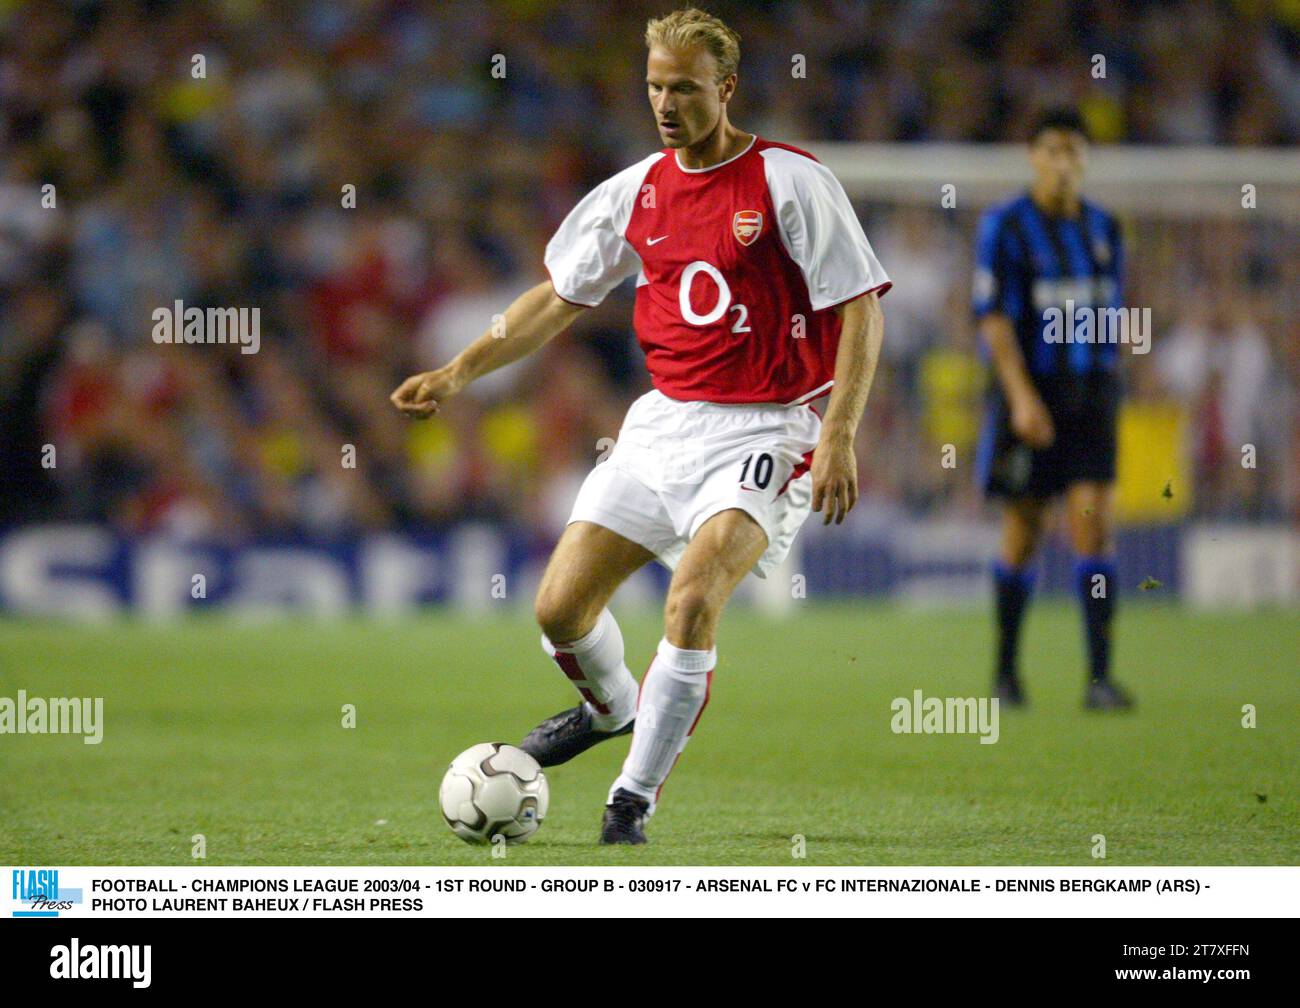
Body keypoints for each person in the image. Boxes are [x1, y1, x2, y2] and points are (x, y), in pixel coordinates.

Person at [392, 7, 889, 843]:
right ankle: (612, 706)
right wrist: (458, 371)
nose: (665, 102)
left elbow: (861, 310)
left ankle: (631, 802)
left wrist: (838, 432)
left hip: (765, 431)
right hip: (662, 428)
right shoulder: (636, 191)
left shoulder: (791, 181)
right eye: (655, 85)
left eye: (684, 88)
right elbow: (556, 297)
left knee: (691, 603)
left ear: (725, 89)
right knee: (558, 611)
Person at [972, 107, 1135, 711]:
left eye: (1074, 151)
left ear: (1086, 159)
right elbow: (992, 317)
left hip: (1091, 395)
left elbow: (1111, 314)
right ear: (1033, 157)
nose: (1064, 162)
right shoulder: (1005, 227)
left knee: (1094, 525)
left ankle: (1099, 678)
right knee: (1025, 527)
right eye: (1052, 150)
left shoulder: (1105, 229)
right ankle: (1006, 675)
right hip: (1030, 395)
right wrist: (1019, 398)